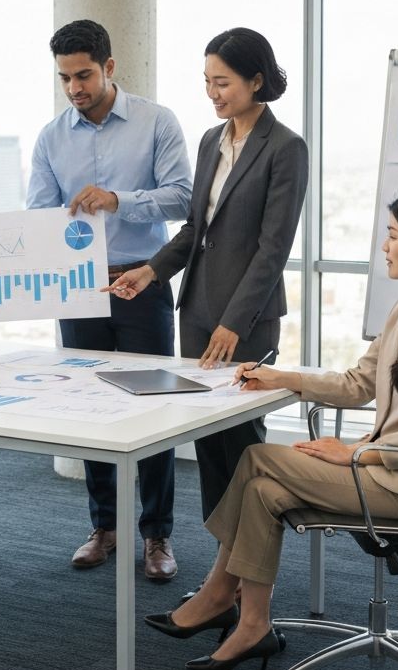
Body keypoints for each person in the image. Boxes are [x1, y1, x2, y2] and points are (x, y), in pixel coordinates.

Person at [143, 188, 398, 670]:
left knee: (256, 458)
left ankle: (219, 593)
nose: (385, 247)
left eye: (394, 236)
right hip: (384, 470)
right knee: (263, 492)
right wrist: (282, 378)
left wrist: (354, 454)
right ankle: (253, 625)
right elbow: (358, 383)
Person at [108, 28, 308, 529]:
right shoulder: (209, 141)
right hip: (197, 315)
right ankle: (223, 561)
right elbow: (196, 229)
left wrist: (234, 322)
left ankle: (247, 559)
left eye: (222, 83)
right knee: (208, 445)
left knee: (241, 444)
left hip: (246, 323)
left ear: (256, 80)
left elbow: (273, 250)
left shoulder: (286, 147)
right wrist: (150, 271)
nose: (212, 94)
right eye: (206, 82)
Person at [27, 19, 193, 581]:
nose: (74, 87)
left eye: (84, 75)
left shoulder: (156, 121)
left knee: (154, 409)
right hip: (79, 287)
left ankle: (156, 534)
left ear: (109, 67)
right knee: (89, 409)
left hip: (142, 280)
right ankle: (105, 527)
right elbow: (39, 214)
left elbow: (183, 198)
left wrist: (118, 199)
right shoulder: (51, 137)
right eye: (64, 78)